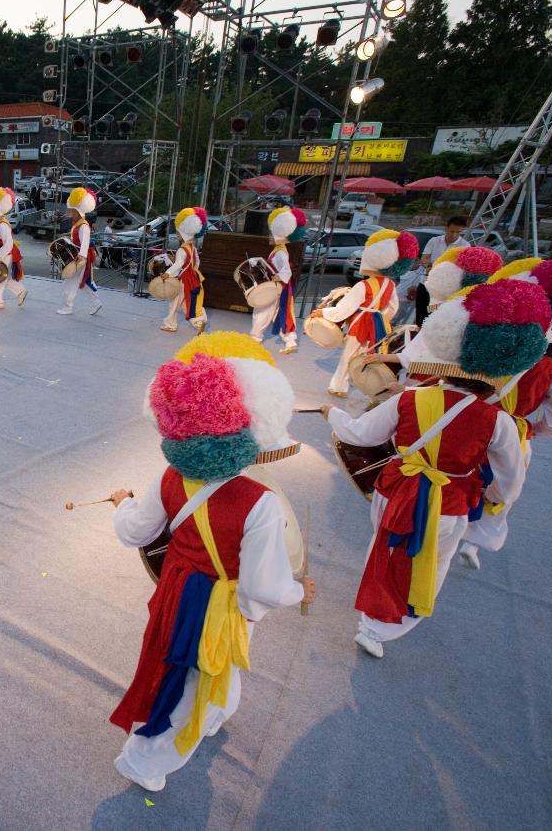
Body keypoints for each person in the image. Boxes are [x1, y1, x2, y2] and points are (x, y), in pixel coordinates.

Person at [109, 332, 314, 791]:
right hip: (222, 604)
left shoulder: (169, 475)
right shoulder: (260, 502)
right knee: (192, 677)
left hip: (176, 590)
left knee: (176, 666)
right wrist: (299, 590)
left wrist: (121, 503)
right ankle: (141, 761)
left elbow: (134, 532)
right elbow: (263, 588)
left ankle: (217, 710)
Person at [324, 278, 550, 658]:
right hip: (449, 502)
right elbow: (510, 482)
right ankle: (383, 628)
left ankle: (370, 616)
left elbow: (359, 435)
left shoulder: (411, 398)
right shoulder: (498, 422)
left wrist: (331, 413)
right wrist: (490, 499)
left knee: (382, 546)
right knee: (431, 561)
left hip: (393, 490)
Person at [456, 258, 552, 569]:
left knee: (456, 473)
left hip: (470, 420)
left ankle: (447, 525)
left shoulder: (486, 351)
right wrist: (530, 428)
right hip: (514, 432)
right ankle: (475, 541)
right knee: (504, 485)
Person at [315, 229, 416, 398]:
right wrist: (380, 319)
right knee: (365, 354)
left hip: (361, 322)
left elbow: (343, 310)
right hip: (377, 323)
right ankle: (359, 382)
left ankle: (339, 386)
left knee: (348, 355)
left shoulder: (363, 285)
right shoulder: (390, 285)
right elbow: (393, 308)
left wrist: (323, 312)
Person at [248, 207, 304, 353]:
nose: (269, 237)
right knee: (281, 313)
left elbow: (286, 272)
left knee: (262, 311)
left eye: (271, 235)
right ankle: (290, 341)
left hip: (276, 287)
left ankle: (255, 338)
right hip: (279, 287)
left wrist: (275, 276)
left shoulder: (280, 252)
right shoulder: (280, 249)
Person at [158, 207, 208, 333]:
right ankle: (199, 321)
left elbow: (179, 264)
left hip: (184, 280)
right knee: (190, 301)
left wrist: (167, 273)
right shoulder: (192, 247)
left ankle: (171, 324)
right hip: (193, 278)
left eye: (178, 233)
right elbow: (197, 262)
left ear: (184, 234)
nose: (177, 235)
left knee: (176, 303)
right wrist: (191, 269)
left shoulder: (182, 249)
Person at [415, 216, 470, 326]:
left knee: (432, 312)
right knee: (420, 310)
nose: (454, 235)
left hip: (443, 289)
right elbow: (424, 258)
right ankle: (417, 334)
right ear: (446, 228)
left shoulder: (465, 246)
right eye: (452, 231)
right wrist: (428, 266)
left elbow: (463, 268)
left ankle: (427, 333)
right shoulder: (434, 241)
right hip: (426, 282)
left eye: (458, 232)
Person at [58, 187, 103, 316]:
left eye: (72, 210)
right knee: (83, 282)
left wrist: (81, 257)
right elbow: (77, 238)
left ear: (77, 211)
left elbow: (85, 242)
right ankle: (96, 302)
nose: (70, 212)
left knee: (70, 282)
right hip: (77, 256)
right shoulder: (78, 224)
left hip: (78, 257)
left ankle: (67, 307)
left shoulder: (83, 225)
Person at [0, 187, 28, 310]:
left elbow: (8, 244)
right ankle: (21, 292)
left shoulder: (2, 224)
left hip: (5, 255)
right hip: (3, 253)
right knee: (5, 278)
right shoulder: (0, 222)